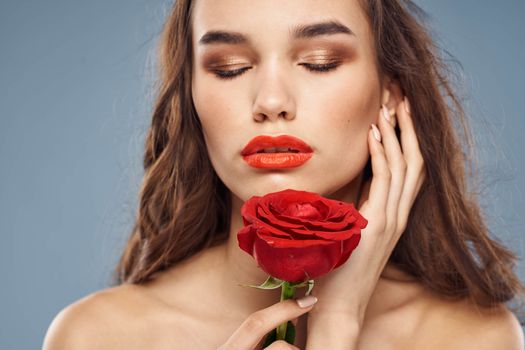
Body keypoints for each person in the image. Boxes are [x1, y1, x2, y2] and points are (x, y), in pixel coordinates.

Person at [43, 0, 525, 349]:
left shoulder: (474, 339)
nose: (271, 102)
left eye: (320, 62)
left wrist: (338, 322)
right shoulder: (99, 337)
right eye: (229, 67)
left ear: (390, 94)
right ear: (190, 96)